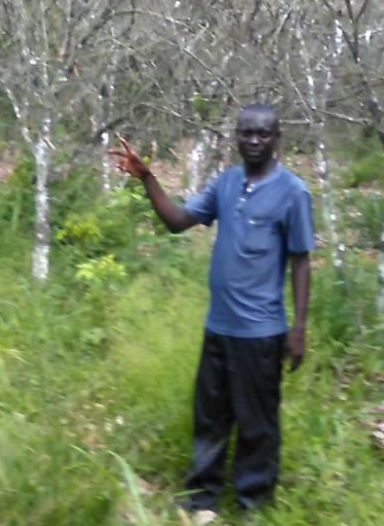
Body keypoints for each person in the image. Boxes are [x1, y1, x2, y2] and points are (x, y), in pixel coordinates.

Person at [109, 104, 314, 516]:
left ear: (277, 139)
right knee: (210, 418)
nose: (254, 141)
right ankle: (203, 501)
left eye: (263, 134)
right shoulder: (226, 183)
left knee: (257, 423)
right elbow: (177, 221)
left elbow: (301, 260)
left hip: (261, 332)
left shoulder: (293, 192)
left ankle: (251, 505)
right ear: (236, 137)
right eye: (246, 133)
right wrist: (147, 177)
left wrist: (299, 328)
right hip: (218, 328)